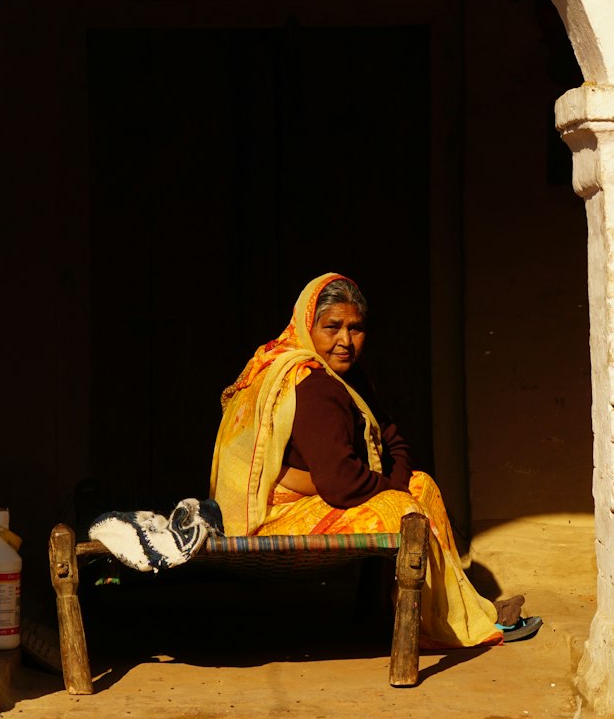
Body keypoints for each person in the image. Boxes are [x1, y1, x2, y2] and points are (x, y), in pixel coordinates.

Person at [209, 272, 540, 648]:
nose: (345, 341)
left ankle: (436, 612)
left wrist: (397, 483)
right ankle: (435, 623)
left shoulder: (347, 378)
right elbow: (341, 483)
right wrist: (394, 492)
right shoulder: (314, 384)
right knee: (403, 510)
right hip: (271, 518)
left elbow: (392, 437)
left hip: (324, 492)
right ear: (307, 326)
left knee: (420, 486)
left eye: (356, 328)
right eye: (332, 327)